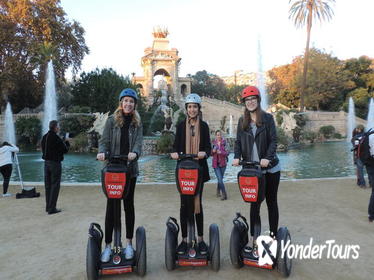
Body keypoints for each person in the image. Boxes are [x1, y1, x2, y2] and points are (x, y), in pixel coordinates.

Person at [232, 85, 281, 257]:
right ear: (244, 103)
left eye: (253, 99)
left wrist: (267, 158)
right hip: (252, 170)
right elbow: (238, 142)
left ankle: (273, 237)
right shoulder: (242, 122)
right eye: (247, 100)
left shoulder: (267, 118)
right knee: (254, 204)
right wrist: (236, 156)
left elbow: (274, 141)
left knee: (271, 202)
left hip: (270, 169)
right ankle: (255, 239)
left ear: (258, 100)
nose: (250, 102)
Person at [97, 88, 143, 262]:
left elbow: (139, 142)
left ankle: (129, 243)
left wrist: (135, 153)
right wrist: (102, 152)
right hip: (112, 169)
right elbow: (104, 142)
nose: (128, 104)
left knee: (128, 205)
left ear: (134, 104)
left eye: (131, 102)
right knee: (111, 207)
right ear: (121, 103)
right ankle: (108, 246)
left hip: (129, 170)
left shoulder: (137, 123)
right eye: (126, 101)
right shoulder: (111, 121)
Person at [170, 93, 212, 255]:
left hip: (199, 170)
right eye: (189, 107)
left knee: (197, 204)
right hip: (183, 170)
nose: (192, 109)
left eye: (195, 106)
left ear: (198, 108)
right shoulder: (180, 126)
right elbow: (174, 147)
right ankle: (185, 239)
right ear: (186, 109)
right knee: (183, 204)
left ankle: (200, 240)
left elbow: (208, 148)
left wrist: (205, 153)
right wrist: (174, 153)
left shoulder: (205, 126)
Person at [41, 120, 70, 214]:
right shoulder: (56, 138)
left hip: (46, 164)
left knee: (48, 186)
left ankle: (48, 206)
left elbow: (43, 149)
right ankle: (52, 208)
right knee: (55, 185)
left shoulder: (44, 137)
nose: (59, 128)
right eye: (58, 126)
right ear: (55, 127)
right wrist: (66, 143)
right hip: (55, 164)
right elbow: (65, 150)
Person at [212, 130, 229, 200]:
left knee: (220, 179)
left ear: (221, 135)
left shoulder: (225, 143)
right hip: (216, 164)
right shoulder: (213, 143)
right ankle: (224, 194)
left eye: (220, 135)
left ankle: (218, 190)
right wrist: (212, 151)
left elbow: (228, 153)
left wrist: (221, 152)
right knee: (220, 179)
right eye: (217, 135)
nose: (219, 136)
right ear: (216, 136)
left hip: (223, 164)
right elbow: (210, 154)